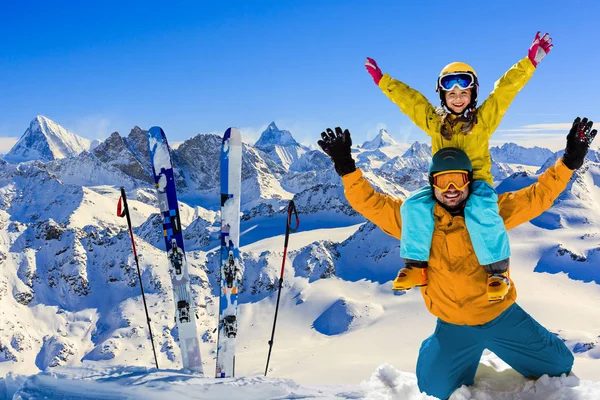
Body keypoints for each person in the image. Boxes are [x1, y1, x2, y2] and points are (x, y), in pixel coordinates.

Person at [317, 118, 596, 400]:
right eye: (442, 180)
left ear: (469, 181)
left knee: (560, 365)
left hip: (501, 316)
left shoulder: (491, 212)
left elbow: (539, 195)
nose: (451, 188)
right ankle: (437, 346)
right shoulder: (415, 220)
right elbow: (371, 203)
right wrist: (347, 169)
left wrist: (570, 161)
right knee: (434, 389)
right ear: (432, 184)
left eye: (458, 179)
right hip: (453, 325)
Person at [364, 32, 553, 302]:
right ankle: (417, 267)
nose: (457, 97)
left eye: (463, 92)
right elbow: (412, 101)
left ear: (472, 94)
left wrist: (530, 62)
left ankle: (497, 273)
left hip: (476, 185)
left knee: (483, 211)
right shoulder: (434, 123)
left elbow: (504, 91)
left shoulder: (482, 121)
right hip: (442, 184)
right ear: (442, 95)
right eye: (451, 93)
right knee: (413, 207)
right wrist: (384, 82)